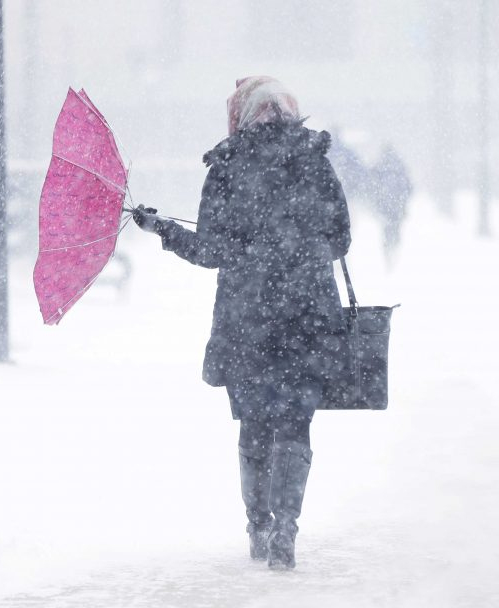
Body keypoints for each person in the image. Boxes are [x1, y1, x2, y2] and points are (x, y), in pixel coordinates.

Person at [132, 76, 351, 569]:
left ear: (240, 115)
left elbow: (210, 250)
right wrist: (295, 254)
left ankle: (260, 528)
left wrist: (164, 228)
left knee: (255, 427)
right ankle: (287, 528)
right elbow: (340, 239)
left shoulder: (228, 166)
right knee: (295, 425)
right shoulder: (314, 163)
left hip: (248, 318)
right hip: (307, 316)